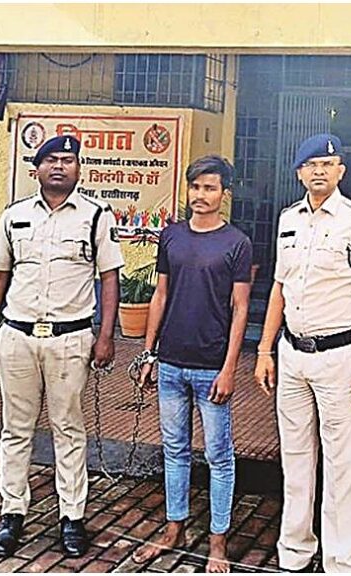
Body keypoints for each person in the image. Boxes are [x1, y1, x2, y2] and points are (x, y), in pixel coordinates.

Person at [0, 134, 124, 559]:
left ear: (79, 169)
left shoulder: (95, 216)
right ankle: (12, 512)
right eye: (51, 159)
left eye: (68, 160)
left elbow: (110, 277)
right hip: (17, 337)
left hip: (70, 340)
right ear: (36, 168)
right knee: (15, 429)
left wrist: (106, 335)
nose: (59, 166)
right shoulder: (14, 216)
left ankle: (72, 516)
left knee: (68, 428)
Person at [254, 133, 351, 573]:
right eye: (311, 165)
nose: (319, 171)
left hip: (339, 357)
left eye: (327, 164)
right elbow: (279, 288)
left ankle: (343, 561)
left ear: (340, 171)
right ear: (299, 173)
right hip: (292, 353)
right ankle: (294, 552)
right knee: (295, 460)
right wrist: (264, 350)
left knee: (342, 465)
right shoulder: (287, 220)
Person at [131, 155, 252, 573]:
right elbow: (160, 295)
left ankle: (218, 541)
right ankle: (174, 529)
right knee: (175, 450)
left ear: (224, 193)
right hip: (170, 364)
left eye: (210, 188)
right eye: (195, 187)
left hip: (211, 367)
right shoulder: (171, 236)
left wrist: (229, 367)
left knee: (219, 456)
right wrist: (149, 353)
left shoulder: (237, 243)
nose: (201, 195)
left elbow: (240, 308)